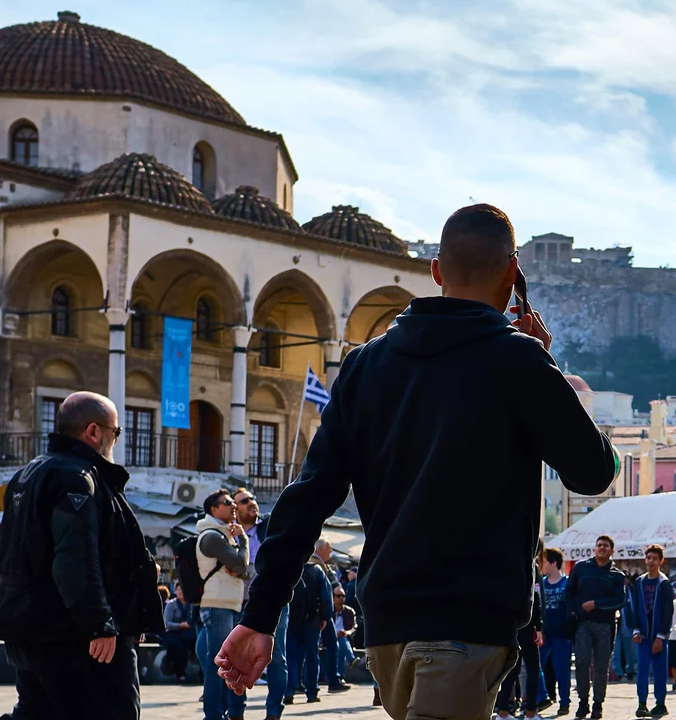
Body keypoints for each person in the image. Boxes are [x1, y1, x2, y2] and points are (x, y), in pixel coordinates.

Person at [216, 204, 619, 720]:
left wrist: (260, 615)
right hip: (466, 622)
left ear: (435, 271)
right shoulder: (518, 360)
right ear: (513, 273)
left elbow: (307, 498)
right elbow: (592, 471)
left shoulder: (365, 365)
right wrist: (550, 372)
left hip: (387, 628)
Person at [0, 391, 165, 720]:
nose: (115, 441)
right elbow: (74, 558)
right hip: (73, 635)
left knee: (37, 713)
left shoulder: (29, 474)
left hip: (32, 625)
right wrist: (100, 623)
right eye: (115, 433)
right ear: (94, 431)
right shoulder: (78, 478)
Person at [232, 487, 290, 720]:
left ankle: (274, 712)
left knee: (276, 656)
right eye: (245, 501)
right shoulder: (229, 533)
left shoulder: (270, 526)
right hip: (238, 600)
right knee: (236, 656)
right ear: (235, 509)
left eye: (252, 499)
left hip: (273, 598)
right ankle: (236, 712)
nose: (252, 503)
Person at [196, 489, 251, 720]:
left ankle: (235, 712)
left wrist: (239, 564)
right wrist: (244, 541)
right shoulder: (212, 536)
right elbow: (241, 565)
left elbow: (242, 570)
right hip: (217, 604)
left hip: (230, 604)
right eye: (227, 502)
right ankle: (214, 715)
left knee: (233, 661)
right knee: (218, 663)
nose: (233, 506)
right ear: (214, 509)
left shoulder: (223, 535)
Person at [567, 535, 629, 720]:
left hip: (605, 625)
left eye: (605, 546)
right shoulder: (581, 568)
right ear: (594, 549)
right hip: (583, 624)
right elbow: (569, 593)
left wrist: (596, 603)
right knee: (582, 662)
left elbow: (620, 600)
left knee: (601, 666)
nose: (601, 548)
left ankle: (597, 704)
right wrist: (575, 612)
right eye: (599, 545)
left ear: (612, 551)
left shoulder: (617, 575)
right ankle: (583, 701)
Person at [630, 544, 674, 719]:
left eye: (655, 558)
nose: (651, 561)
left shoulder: (664, 584)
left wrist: (661, 636)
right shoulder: (640, 581)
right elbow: (635, 608)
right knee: (641, 670)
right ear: (645, 559)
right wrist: (635, 630)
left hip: (658, 636)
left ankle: (660, 704)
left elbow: (667, 612)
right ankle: (641, 703)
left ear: (661, 561)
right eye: (648, 558)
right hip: (643, 635)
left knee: (659, 671)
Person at [498, 569, 545, 720]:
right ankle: (530, 712)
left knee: (511, 670)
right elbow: (535, 598)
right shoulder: (530, 566)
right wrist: (539, 627)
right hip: (527, 623)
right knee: (532, 669)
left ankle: (503, 712)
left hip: (510, 623)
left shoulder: (505, 566)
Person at [285, 558, 330, 705]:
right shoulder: (316, 571)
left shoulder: (289, 567)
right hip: (312, 620)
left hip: (291, 619)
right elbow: (325, 596)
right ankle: (311, 692)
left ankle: (289, 690)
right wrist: (325, 617)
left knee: (291, 656)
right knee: (312, 655)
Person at [311, 538, 348, 694]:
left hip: (308, 614)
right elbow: (327, 592)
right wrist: (326, 616)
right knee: (331, 645)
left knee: (306, 650)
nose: (331, 551)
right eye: (329, 548)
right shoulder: (318, 566)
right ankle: (332, 681)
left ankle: (301, 686)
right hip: (320, 614)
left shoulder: (314, 564)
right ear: (320, 549)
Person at [540, 547, 574, 716]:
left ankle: (564, 702)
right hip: (543, 635)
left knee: (562, 670)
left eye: (544, 561)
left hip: (562, 635)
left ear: (554, 563)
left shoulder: (566, 583)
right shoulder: (541, 583)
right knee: (536, 668)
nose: (542, 565)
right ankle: (540, 698)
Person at [162, 583, 196, 683]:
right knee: (179, 648)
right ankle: (180, 673)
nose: (180, 592)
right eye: (178, 590)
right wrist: (181, 625)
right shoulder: (171, 604)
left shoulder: (192, 604)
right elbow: (167, 623)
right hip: (174, 632)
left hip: (190, 632)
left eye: (182, 589)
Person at [333, 587, 357, 676]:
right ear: (333, 597)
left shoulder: (349, 612)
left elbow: (354, 628)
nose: (341, 598)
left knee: (341, 642)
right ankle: (351, 659)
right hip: (331, 638)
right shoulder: (329, 611)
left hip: (345, 638)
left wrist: (347, 632)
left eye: (343, 596)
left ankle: (339, 676)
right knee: (339, 642)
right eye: (338, 596)